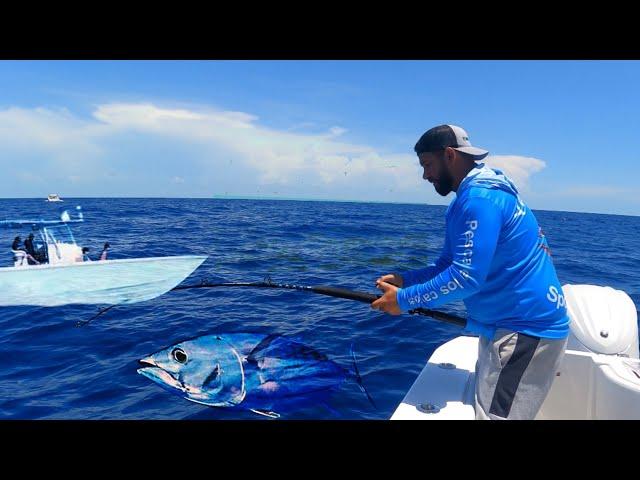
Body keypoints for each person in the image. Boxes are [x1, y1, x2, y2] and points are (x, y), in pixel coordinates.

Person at [372, 124, 570, 420]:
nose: (425, 175)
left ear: (449, 155)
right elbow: (448, 266)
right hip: (507, 327)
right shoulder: (467, 200)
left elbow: (466, 279)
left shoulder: (480, 200)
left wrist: (403, 301)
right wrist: (406, 280)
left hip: (525, 330)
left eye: (427, 164)